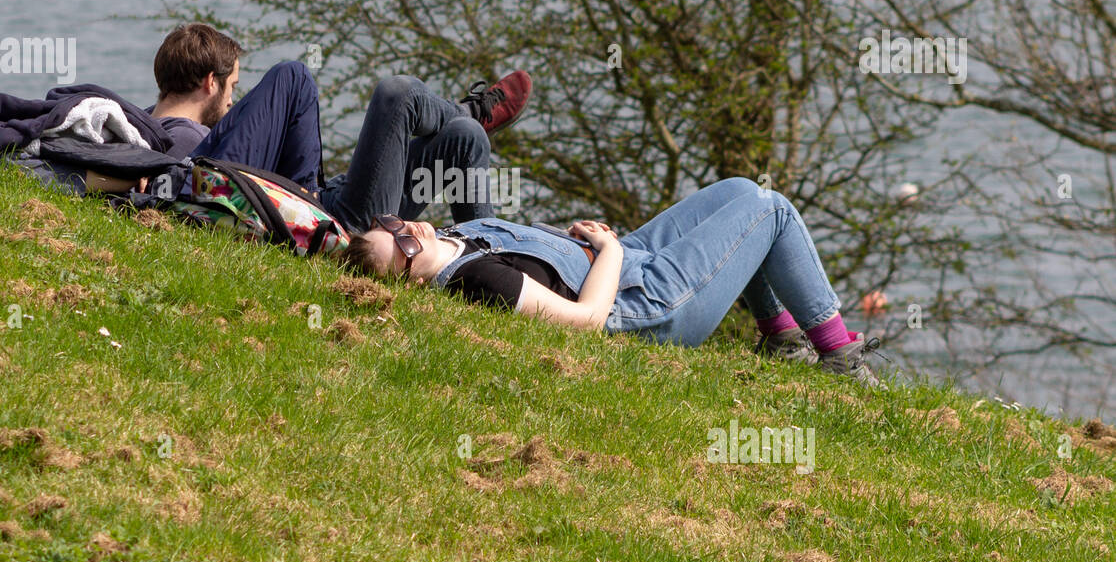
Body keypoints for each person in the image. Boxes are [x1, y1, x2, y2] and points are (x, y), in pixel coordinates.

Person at [341, 177, 884, 384]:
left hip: (632, 262)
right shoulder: (479, 279)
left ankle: (784, 344)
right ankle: (839, 360)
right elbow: (586, 322)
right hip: (647, 306)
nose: (409, 229)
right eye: (404, 245)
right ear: (410, 281)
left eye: (394, 225)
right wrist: (610, 248)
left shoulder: (457, 234)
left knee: (742, 190)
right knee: (771, 211)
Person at [146, 22, 532, 232]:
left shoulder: (155, 128)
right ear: (210, 83)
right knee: (395, 94)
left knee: (464, 141)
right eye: (231, 89)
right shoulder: (180, 141)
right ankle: (464, 109)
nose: (231, 102)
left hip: (326, 199)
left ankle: (487, 254)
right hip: (336, 220)